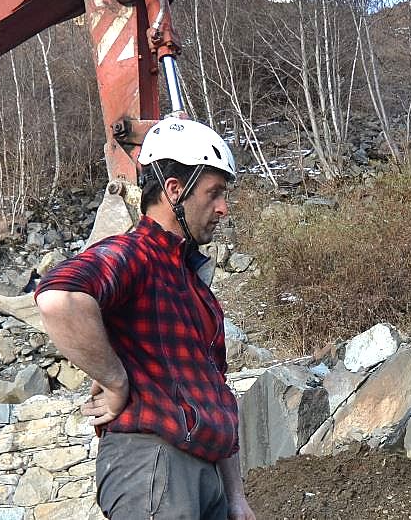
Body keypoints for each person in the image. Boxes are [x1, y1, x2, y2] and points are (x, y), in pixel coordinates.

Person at [34, 118, 255, 520]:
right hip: (154, 464)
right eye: (215, 193)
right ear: (174, 190)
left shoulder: (192, 284)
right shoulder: (135, 253)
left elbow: (217, 391)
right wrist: (116, 381)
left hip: (204, 473)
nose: (223, 207)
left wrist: (236, 497)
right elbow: (59, 298)